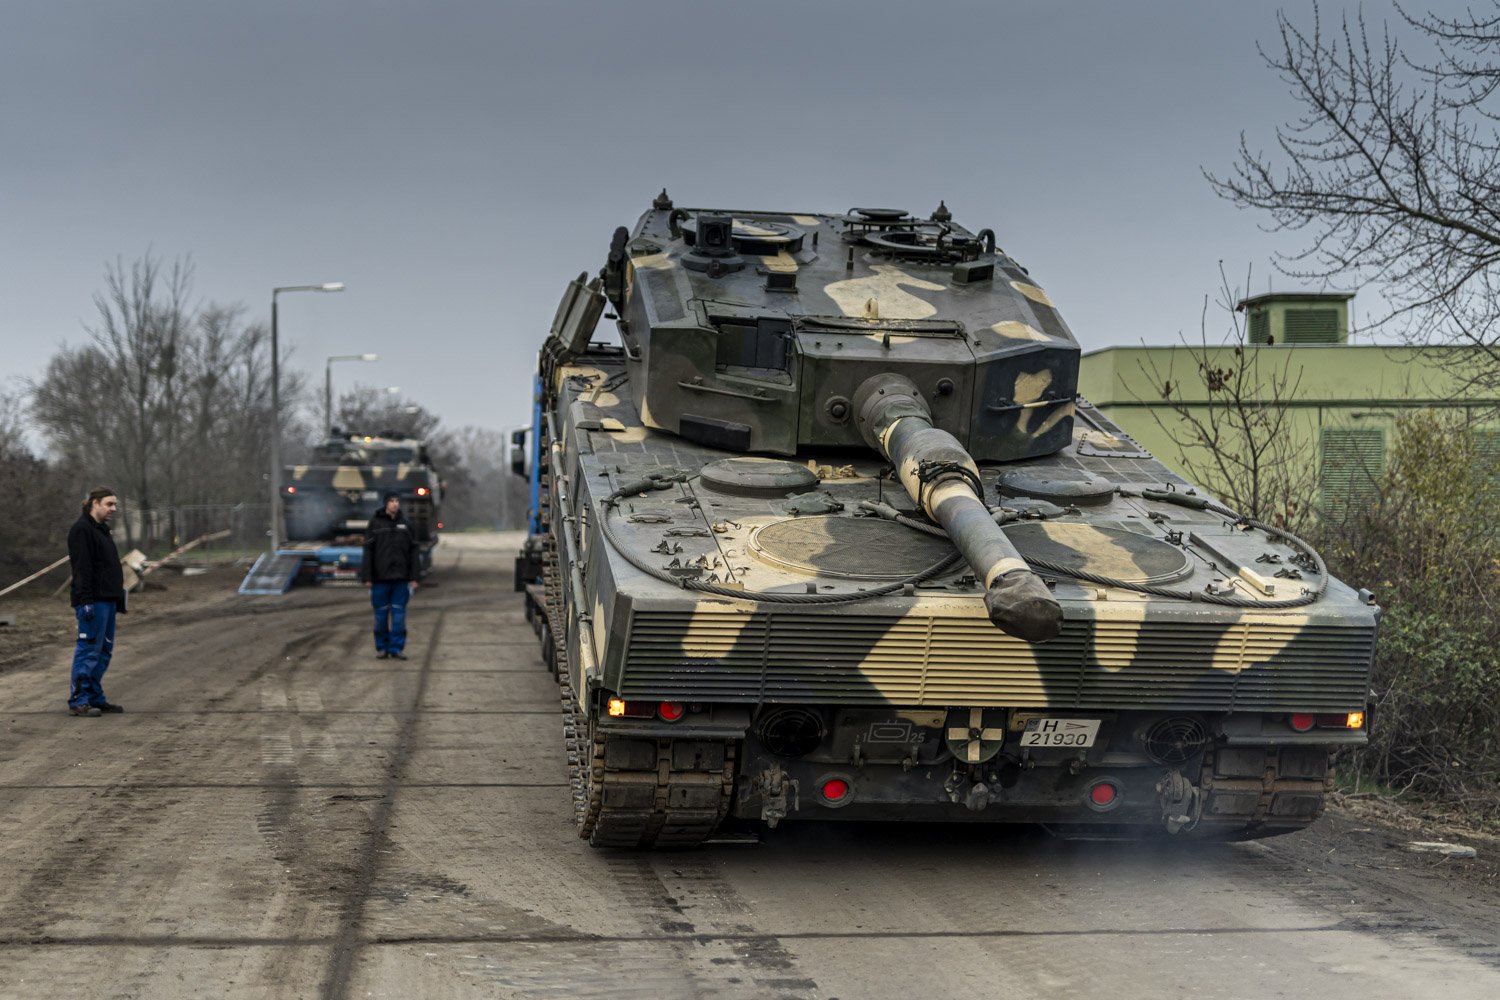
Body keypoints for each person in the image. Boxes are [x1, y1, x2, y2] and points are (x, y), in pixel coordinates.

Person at [67, 487, 126, 717]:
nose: (113, 509)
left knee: (103, 652)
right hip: (93, 602)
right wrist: (85, 601)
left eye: (114, 505)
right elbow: (82, 568)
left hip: (108, 601)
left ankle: (94, 697)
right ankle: (78, 699)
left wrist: (118, 599)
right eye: (109, 504)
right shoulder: (82, 530)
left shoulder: (102, 530)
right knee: (89, 650)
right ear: (95, 504)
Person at [361, 490, 420, 660]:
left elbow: (414, 552)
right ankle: (382, 648)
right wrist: (367, 577)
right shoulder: (375, 524)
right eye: (392, 501)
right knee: (380, 617)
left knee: (399, 616)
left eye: (397, 501)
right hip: (380, 579)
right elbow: (368, 551)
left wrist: (415, 577)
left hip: (401, 579)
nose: (395, 504)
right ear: (385, 503)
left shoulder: (406, 524)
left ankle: (396, 648)